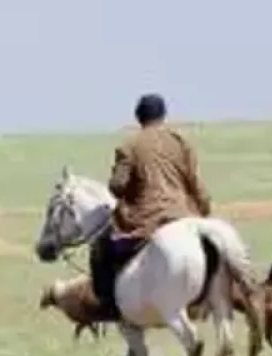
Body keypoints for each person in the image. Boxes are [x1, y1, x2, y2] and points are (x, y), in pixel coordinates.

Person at [91, 93, 213, 318]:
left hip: (147, 217)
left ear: (138, 117)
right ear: (163, 115)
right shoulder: (181, 142)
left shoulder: (129, 145)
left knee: (101, 247)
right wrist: (204, 207)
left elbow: (117, 187)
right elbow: (194, 180)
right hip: (184, 213)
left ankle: (109, 305)